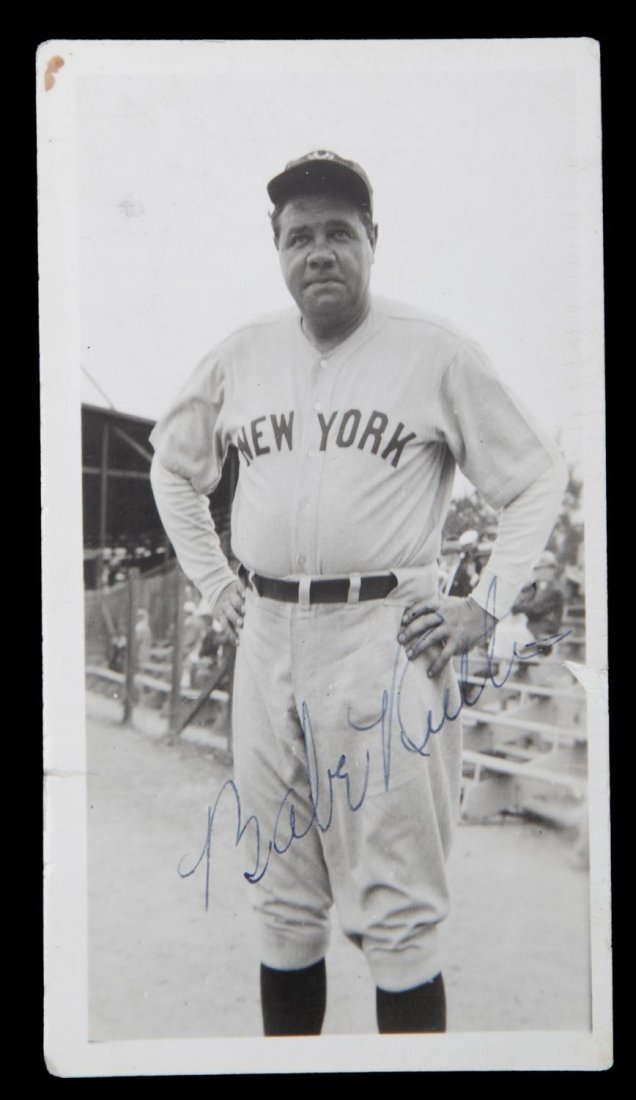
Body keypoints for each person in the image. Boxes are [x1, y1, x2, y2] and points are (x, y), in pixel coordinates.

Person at [149, 151, 567, 1035]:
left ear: (373, 240)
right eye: (300, 236)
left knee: (401, 911)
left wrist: (482, 605)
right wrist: (215, 580)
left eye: (340, 231)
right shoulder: (242, 354)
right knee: (282, 898)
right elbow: (173, 469)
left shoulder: (435, 351)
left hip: (386, 637)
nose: (320, 252)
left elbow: (535, 478)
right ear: (278, 249)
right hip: (267, 633)